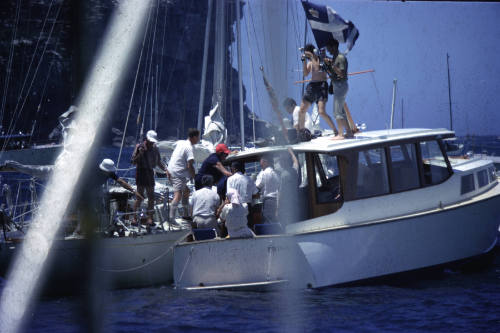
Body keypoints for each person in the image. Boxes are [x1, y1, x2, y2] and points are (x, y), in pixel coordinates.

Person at [298, 43, 338, 135]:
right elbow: (305, 74)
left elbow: (317, 67)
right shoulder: (310, 62)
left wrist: (311, 56)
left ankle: (335, 130)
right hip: (312, 86)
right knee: (302, 110)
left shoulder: (320, 59)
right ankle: (301, 132)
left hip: (322, 86)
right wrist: (304, 60)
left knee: (321, 111)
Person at [131, 129, 168, 225]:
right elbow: (133, 161)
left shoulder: (155, 148)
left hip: (150, 173)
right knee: (139, 197)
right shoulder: (139, 147)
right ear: (147, 139)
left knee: (151, 197)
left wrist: (166, 170)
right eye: (150, 141)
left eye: (153, 141)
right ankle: (134, 218)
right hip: (141, 173)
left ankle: (150, 218)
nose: (152, 143)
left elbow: (159, 162)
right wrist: (140, 153)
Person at [167, 128, 200, 222]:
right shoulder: (189, 148)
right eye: (198, 137)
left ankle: (186, 215)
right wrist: (194, 177)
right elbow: (190, 165)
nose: (198, 139)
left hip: (172, 170)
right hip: (178, 174)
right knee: (178, 195)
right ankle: (171, 218)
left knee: (186, 191)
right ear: (193, 137)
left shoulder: (181, 142)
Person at [324, 38, 354, 140]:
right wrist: (328, 64)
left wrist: (331, 64)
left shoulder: (340, 58)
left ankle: (341, 134)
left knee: (337, 112)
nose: (328, 51)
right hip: (337, 86)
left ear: (334, 47)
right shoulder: (335, 58)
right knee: (341, 111)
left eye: (329, 49)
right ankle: (349, 133)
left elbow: (341, 73)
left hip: (341, 86)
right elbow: (333, 72)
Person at [226, 160, 258, 226]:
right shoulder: (249, 179)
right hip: (248, 206)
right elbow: (256, 194)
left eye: (231, 168)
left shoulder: (230, 179)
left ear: (234, 168)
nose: (230, 169)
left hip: (235, 207)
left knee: (237, 227)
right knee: (249, 227)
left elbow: (229, 195)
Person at [277, 148, 300, 225]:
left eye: (280, 160)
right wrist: (292, 153)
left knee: (287, 225)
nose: (279, 162)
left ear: (284, 162)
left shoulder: (284, 175)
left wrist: (277, 208)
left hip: (286, 206)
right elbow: (296, 162)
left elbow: (281, 193)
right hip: (295, 203)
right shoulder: (294, 170)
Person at [255, 154, 280, 223]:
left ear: (265, 162)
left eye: (261, 161)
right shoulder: (275, 172)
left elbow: (257, 186)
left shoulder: (264, 173)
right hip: (276, 199)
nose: (260, 163)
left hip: (268, 200)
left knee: (268, 220)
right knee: (274, 220)